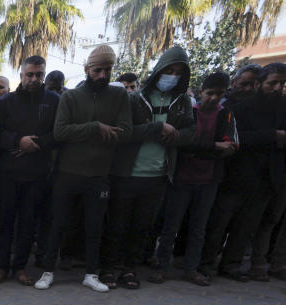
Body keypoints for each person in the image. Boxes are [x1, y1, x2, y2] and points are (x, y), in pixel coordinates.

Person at [35, 44, 132, 292]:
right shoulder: (71, 97)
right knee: (58, 224)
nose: (102, 75)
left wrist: (86, 132)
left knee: (95, 225)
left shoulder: (119, 96)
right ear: (87, 69)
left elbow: (125, 133)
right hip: (68, 172)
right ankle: (47, 271)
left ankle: (91, 274)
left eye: (107, 70)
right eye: (98, 69)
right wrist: (96, 127)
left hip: (99, 175)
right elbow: (61, 132)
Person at [101, 45, 196, 290]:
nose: (171, 76)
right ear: (158, 70)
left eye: (177, 72)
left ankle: (129, 269)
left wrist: (175, 135)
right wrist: (156, 128)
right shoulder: (134, 98)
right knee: (117, 224)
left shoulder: (183, 102)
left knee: (142, 226)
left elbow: (191, 133)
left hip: (158, 175)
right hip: (127, 173)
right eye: (168, 70)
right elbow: (123, 133)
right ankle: (110, 268)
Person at [149, 72, 237, 286]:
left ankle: (192, 268)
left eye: (220, 94)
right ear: (201, 92)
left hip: (208, 180)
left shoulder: (226, 115)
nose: (214, 98)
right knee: (171, 226)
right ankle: (160, 267)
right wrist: (213, 147)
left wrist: (206, 149)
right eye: (210, 93)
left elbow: (230, 146)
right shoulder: (188, 113)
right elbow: (183, 142)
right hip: (181, 178)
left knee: (199, 227)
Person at [210, 62, 286, 281]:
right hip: (237, 176)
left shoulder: (283, 107)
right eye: (273, 83)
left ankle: (231, 265)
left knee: (247, 225)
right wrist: (272, 135)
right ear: (259, 83)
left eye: (282, 84)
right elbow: (235, 138)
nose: (277, 88)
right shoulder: (241, 108)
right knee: (220, 223)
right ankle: (206, 263)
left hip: (267, 178)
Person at [0, 54, 59, 286]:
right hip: (7, 174)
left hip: (36, 174)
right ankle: (1, 266)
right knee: (4, 222)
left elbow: (58, 133)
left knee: (28, 224)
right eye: (29, 74)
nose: (34, 79)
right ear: (21, 75)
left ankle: (20, 267)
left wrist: (35, 144)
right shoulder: (4, 103)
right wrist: (17, 140)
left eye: (39, 74)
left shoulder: (53, 101)